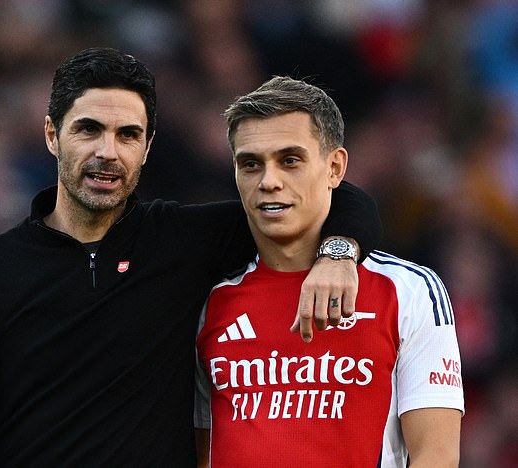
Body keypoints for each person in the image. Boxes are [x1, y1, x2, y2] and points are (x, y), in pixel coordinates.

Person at [0, 48, 382, 467]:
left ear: (147, 147)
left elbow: (337, 198)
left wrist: (337, 256)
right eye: (88, 130)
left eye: (128, 135)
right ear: (51, 135)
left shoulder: (181, 240)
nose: (108, 152)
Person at [195, 76, 464, 467]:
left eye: (290, 160)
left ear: (335, 167)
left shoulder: (409, 290)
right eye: (250, 164)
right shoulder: (208, 300)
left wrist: (338, 253)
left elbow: (435, 454)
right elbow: (203, 452)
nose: (269, 181)